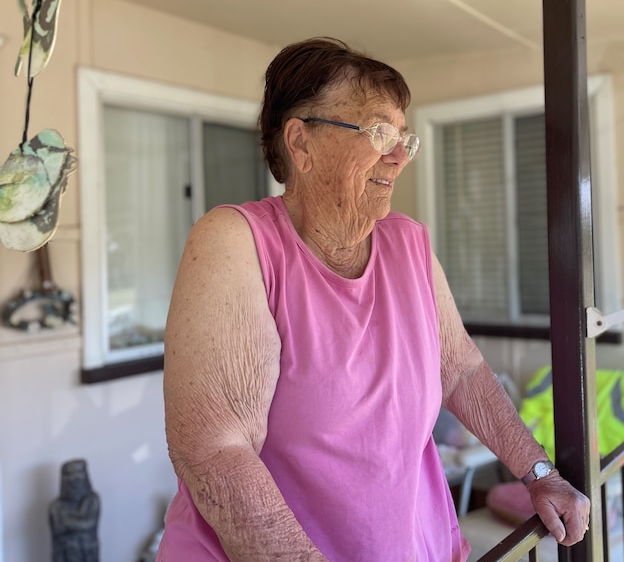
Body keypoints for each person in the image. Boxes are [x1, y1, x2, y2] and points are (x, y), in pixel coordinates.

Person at [157, 37, 589, 562]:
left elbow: (462, 371)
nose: (398, 154)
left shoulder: (409, 243)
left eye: (404, 138)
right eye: (380, 130)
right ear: (301, 143)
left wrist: (539, 473)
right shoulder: (235, 240)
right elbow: (214, 451)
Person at [49, 459, 100, 562]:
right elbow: (57, 528)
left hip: (87, 551)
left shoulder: (92, 500)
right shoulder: (56, 507)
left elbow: (88, 524)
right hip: (65, 552)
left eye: (79, 480)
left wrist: (66, 522)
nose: (75, 485)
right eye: (71, 482)